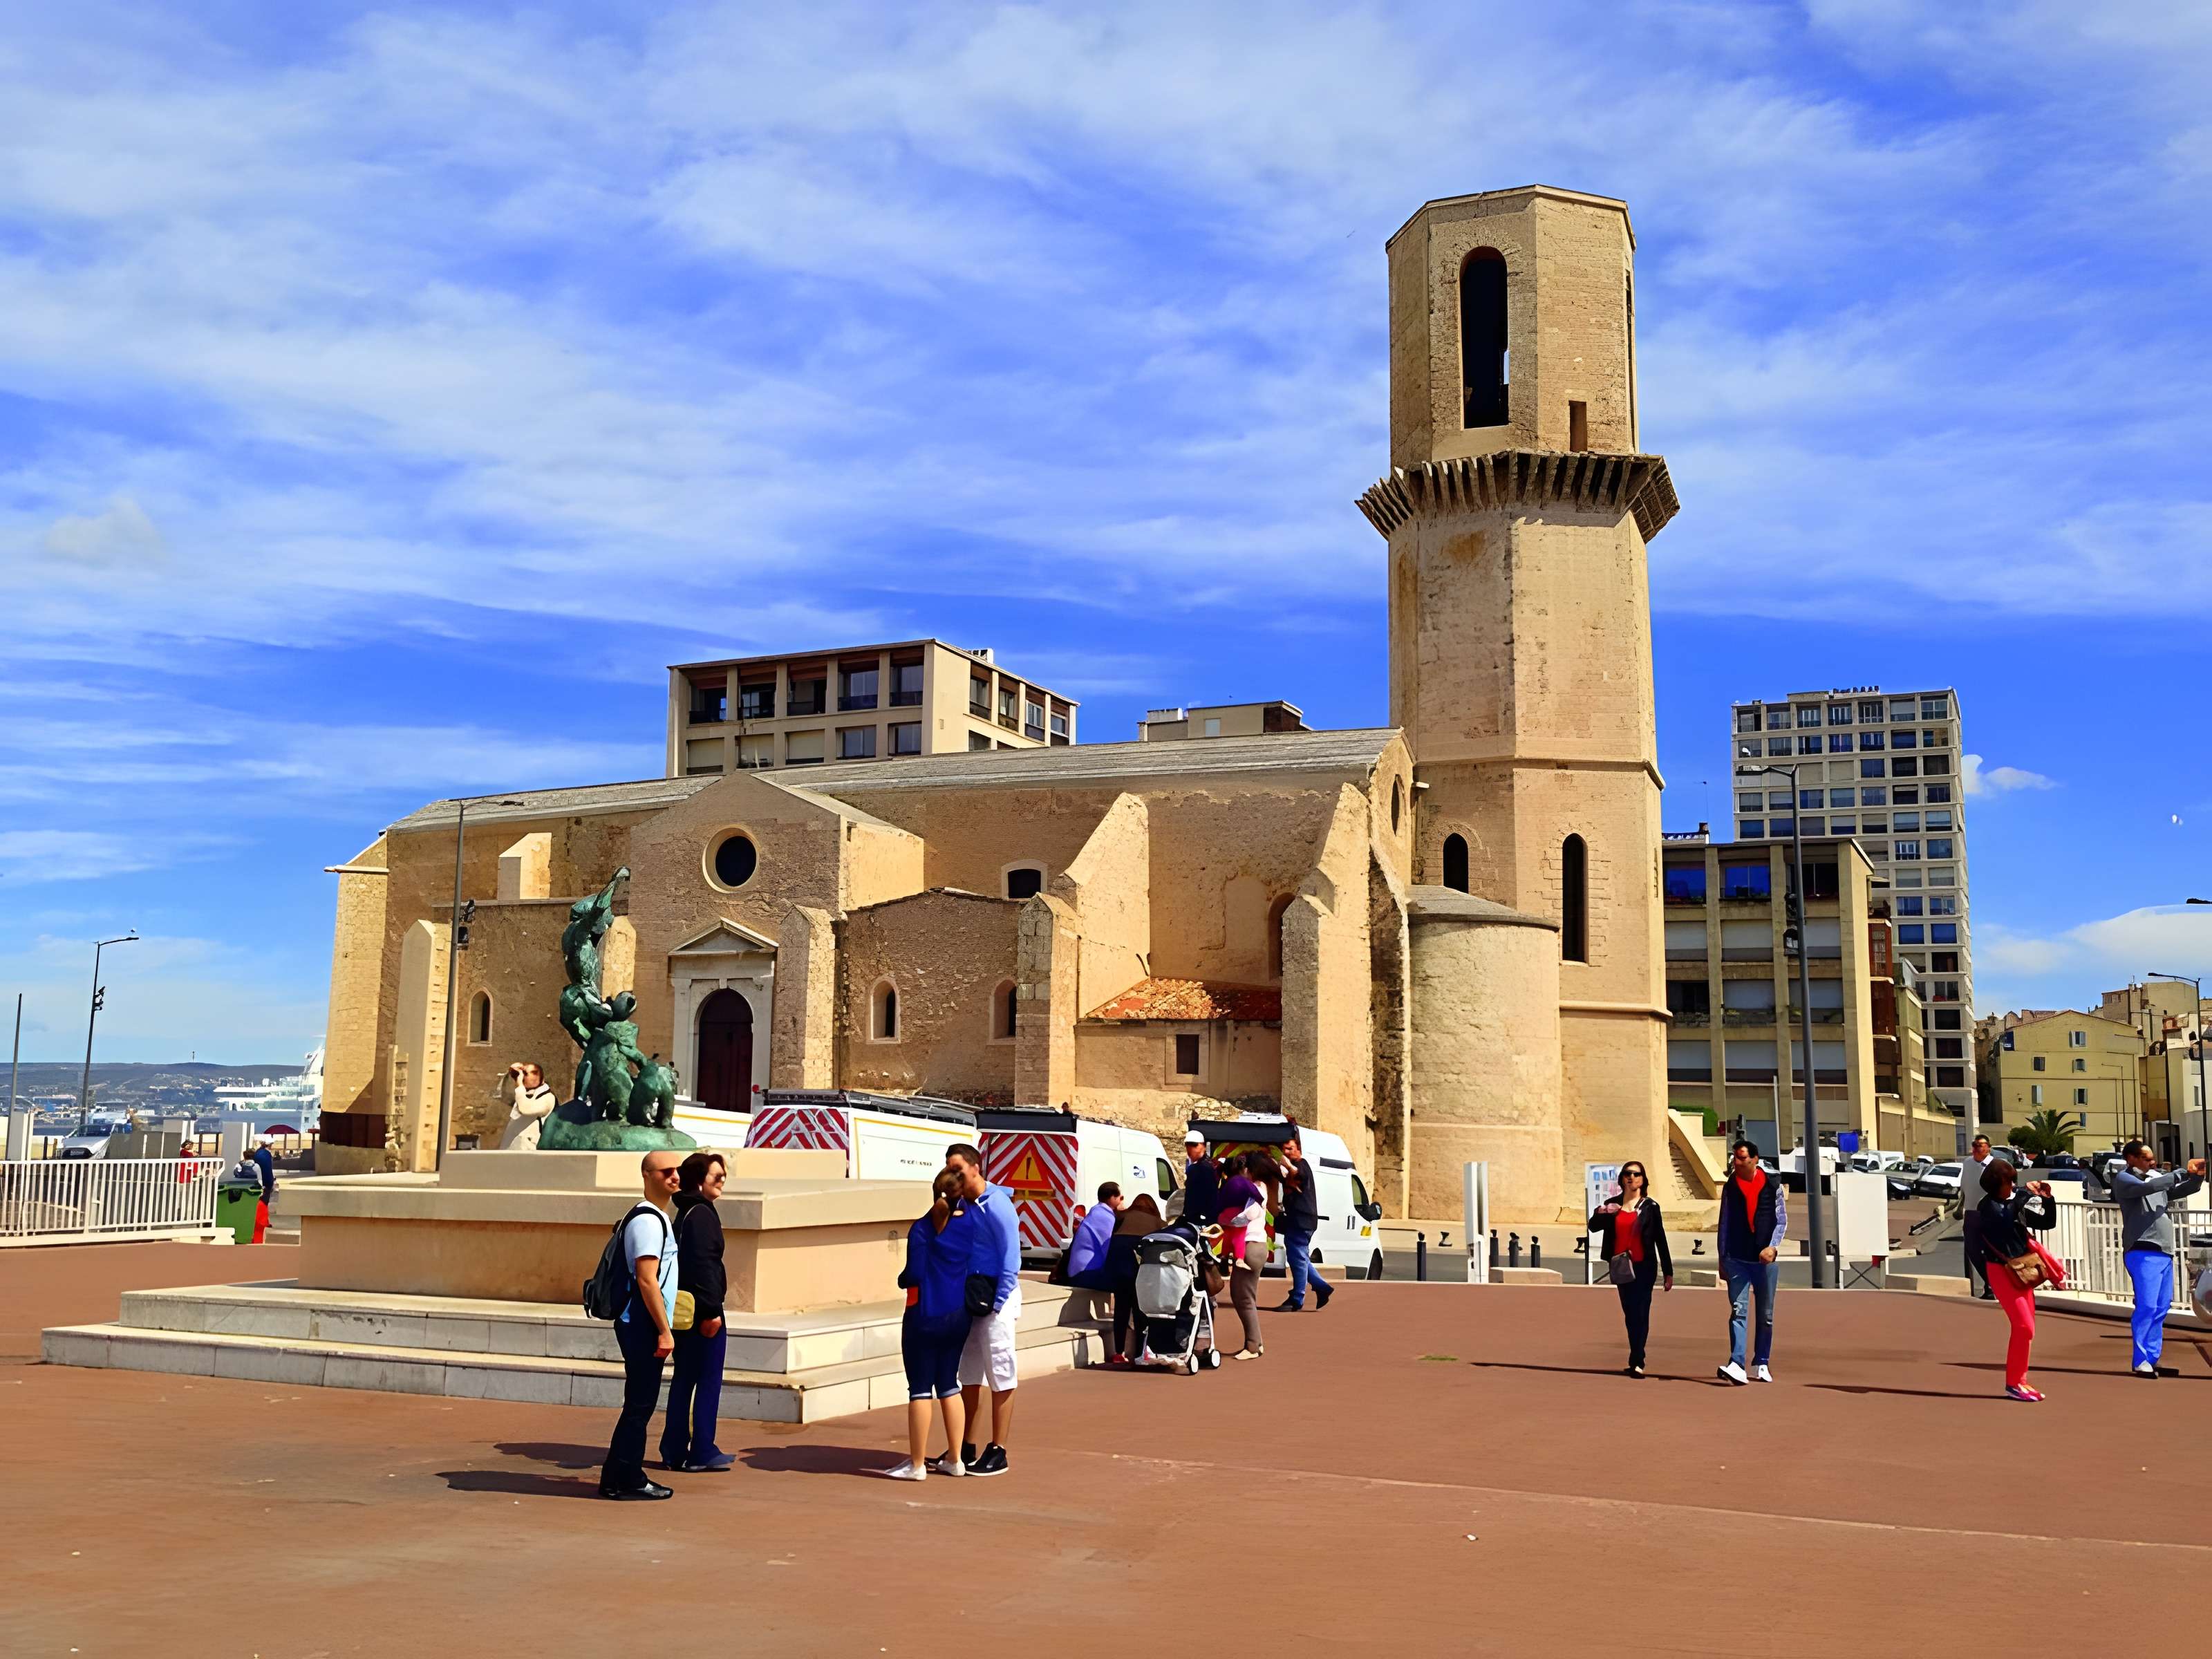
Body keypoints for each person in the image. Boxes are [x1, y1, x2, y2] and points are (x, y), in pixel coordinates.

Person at [600, 1150, 683, 1499]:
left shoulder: (652, 1217)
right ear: (647, 1175)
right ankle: (627, 1478)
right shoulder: (648, 1221)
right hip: (642, 1324)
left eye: (677, 1170)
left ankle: (616, 1477)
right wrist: (664, 1331)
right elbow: (647, 1279)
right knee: (640, 1405)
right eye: (666, 1171)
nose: (675, 1176)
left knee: (639, 1403)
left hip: (641, 1322)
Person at [883, 1170, 973, 1480]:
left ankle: (917, 1464)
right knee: (949, 1384)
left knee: (920, 1388)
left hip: (923, 1313)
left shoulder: (923, 1227)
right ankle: (956, 1459)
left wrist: (900, 1279)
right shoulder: (969, 1224)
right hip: (959, 1313)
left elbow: (914, 1274)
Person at [947, 1143, 1020, 1478]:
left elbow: (1010, 1257)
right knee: (969, 1374)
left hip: (995, 1301)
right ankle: (965, 1444)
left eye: (958, 1170)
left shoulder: (997, 1204)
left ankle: (999, 1448)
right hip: (971, 1299)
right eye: (950, 1170)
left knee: (1001, 1371)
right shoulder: (962, 1204)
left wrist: (999, 1301)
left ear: (976, 1168)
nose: (954, 1176)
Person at [2107, 1141, 2206, 1378]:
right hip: (2142, 1251)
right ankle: (2141, 1360)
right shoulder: (2124, 1180)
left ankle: (2151, 1358)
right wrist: (2179, 1174)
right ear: (2131, 1158)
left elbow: (2182, 1190)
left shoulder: (2154, 1180)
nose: (2152, 1162)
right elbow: (2149, 1188)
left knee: (2161, 1308)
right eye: (2147, 1158)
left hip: (2164, 1251)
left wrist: (2197, 1177)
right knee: (2147, 1306)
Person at [659, 1152, 731, 1474]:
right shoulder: (701, 1214)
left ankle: (674, 1449)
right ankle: (701, 1449)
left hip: (686, 1309)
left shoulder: (686, 1212)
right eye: (717, 1176)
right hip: (702, 1312)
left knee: (685, 1378)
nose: (722, 1181)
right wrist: (712, 1311)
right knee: (706, 1379)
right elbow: (704, 1266)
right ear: (700, 1181)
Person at [1977, 1157, 2057, 1402]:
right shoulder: (1988, 1207)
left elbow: (2047, 1222)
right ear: (1996, 1184)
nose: (2013, 1186)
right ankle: (2014, 1383)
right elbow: (2003, 1221)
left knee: (2027, 1330)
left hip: (2020, 1270)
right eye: (2009, 1182)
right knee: (2023, 1326)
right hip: (2001, 1271)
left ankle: (2019, 1381)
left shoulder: (2010, 1205)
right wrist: (2025, 1194)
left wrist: (2047, 1199)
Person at [1588, 1159, 1673, 1378]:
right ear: (1622, 1179)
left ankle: (1637, 1360)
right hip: (1621, 1266)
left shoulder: (1650, 1207)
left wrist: (1668, 1271)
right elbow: (1593, 1227)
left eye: (1636, 1174)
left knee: (1641, 1312)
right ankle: (1636, 1354)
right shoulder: (1613, 1205)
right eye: (1627, 1174)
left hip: (1644, 1266)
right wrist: (1604, 1212)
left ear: (1643, 1180)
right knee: (1630, 1313)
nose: (1631, 1177)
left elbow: (1660, 1239)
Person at [1715, 1138, 1785, 1385]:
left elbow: (1781, 1220)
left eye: (1742, 1158)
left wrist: (1773, 1247)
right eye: (1735, 1158)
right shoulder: (1730, 1186)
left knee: (1766, 1315)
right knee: (1739, 1311)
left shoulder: (1773, 1184)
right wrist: (1722, 1258)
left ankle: (1762, 1362)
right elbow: (1724, 1222)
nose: (1737, 1162)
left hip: (1765, 1261)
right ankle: (1737, 1364)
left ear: (1755, 1159)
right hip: (1737, 1258)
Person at [1271, 1132, 1335, 1313]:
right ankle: (1322, 1287)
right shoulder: (1295, 1167)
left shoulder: (1302, 1165)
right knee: (1301, 1258)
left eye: (1290, 1148)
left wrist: (1285, 1163)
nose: (1287, 1152)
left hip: (1301, 1220)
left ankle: (1297, 1299)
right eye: (1284, 1149)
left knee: (1297, 1259)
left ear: (1298, 1149)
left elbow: (1298, 1173)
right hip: (1300, 1220)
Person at [1217, 1152, 1271, 1360]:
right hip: (1258, 1246)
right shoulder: (1260, 1188)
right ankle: (1257, 1342)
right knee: (1248, 1296)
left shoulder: (1253, 1190)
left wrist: (1226, 1217)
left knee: (1242, 1297)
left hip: (1250, 1246)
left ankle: (1253, 1346)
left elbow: (1248, 1215)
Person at [1103, 1192, 1164, 1365]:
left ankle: (1118, 1352)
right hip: (1141, 1269)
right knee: (1141, 1310)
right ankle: (1139, 1352)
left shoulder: (1122, 1217)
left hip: (1119, 1264)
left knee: (1121, 1309)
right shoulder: (1158, 1223)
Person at [1954, 1134, 1996, 1299]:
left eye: (1981, 1145)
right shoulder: (1967, 1163)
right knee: (1972, 1250)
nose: (1977, 1148)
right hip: (1971, 1213)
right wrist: (1960, 1207)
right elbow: (1964, 1187)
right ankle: (1990, 1281)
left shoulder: (1995, 1165)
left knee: (1990, 1251)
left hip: (1989, 1214)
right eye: (1975, 1145)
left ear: (1988, 1148)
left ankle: (1992, 1286)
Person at [1065, 1182, 1123, 1290]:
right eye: (1121, 1198)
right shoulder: (1106, 1217)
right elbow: (1108, 1247)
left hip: (1078, 1269)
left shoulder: (1096, 1211)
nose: (1122, 1202)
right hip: (1087, 1271)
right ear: (1112, 1198)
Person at [494, 1061, 560, 1150]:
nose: (522, 1076)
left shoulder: (548, 1098)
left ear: (541, 1079)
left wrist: (520, 1086)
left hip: (530, 1153)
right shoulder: (525, 1093)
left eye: (525, 1073)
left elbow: (525, 1109)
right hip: (512, 1151)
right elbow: (502, 1096)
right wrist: (512, 1074)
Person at [1179, 1130, 1221, 1232]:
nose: (1191, 1149)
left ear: (1203, 1146)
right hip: (1203, 1218)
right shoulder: (1207, 1165)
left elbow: (1195, 1197)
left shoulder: (1199, 1168)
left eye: (1195, 1145)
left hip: (1200, 1220)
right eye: (1189, 1146)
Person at [249, 1136, 276, 1244]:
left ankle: (261, 1222)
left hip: (258, 1182)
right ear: (269, 1145)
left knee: (259, 1203)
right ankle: (263, 1222)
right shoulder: (267, 1155)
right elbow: (268, 1170)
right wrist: (271, 1182)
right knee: (264, 1203)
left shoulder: (258, 1153)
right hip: (266, 1182)